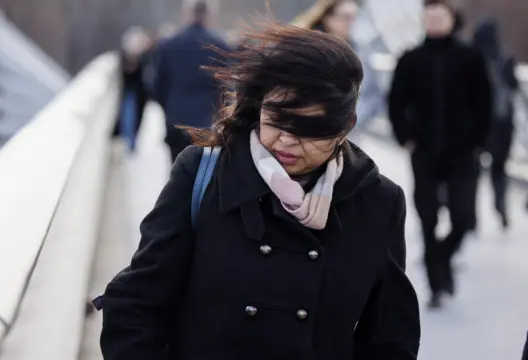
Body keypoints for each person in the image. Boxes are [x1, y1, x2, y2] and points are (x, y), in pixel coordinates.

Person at [98, 22, 420, 360]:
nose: (287, 141)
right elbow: (137, 304)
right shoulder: (202, 176)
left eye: (309, 129)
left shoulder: (378, 203)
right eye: (277, 120)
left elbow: (390, 338)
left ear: (345, 127)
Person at [388, 0, 492, 309]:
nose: (434, 21)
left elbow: (484, 101)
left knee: (463, 218)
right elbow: (396, 101)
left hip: (463, 151)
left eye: (440, 16)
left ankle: (442, 259)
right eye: (429, 16)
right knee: (428, 216)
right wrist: (405, 137)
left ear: (452, 19)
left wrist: (479, 141)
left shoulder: (471, 58)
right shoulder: (410, 58)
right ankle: (436, 284)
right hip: (425, 151)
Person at [291, 0, 383, 144]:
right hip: (309, 133)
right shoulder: (308, 48)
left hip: (349, 135)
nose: (351, 23)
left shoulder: (360, 52)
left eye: (355, 17)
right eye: (346, 17)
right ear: (329, 18)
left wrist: (350, 120)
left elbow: (372, 95)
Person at [152, 0, 230, 162]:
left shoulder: (169, 45)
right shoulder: (219, 46)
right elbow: (226, 90)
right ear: (209, 15)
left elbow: (157, 87)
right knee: (205, 179)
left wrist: (170, 109)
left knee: (176, 176)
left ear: (186, 13)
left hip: (176, 121)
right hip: (207, 124)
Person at [473, 19, 519, 229]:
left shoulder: (472, 56)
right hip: (503, 121)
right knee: (499, 168)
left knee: (472, 168)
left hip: (478, 121)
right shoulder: (506, 57)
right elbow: (514, 88)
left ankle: (470, 214)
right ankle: (501, 205)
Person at [113, 27, 151, 151]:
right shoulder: (123, 58)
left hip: (139, 96)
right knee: (127, 117)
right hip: (128, 95)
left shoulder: (144, 58)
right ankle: (127, 141)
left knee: (135, 118)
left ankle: (131, 142)